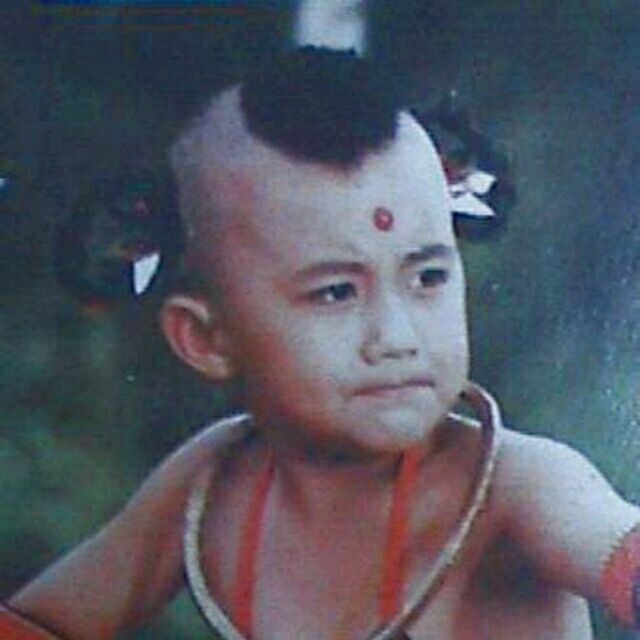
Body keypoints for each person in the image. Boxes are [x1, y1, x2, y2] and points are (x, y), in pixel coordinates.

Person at [3, 47, 639, 640]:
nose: (397, 338)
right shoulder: (209, 483)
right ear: (206, 338)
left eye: (427, 278)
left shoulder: (520, 484)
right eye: (336, 292)